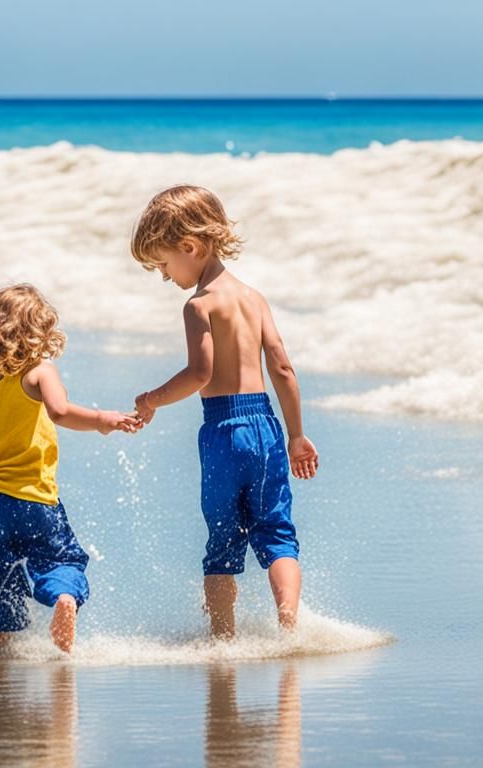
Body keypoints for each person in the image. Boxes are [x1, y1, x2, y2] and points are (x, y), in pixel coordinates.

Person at [128, 185, 319, 639]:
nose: (163, 275)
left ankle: (222, 639)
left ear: (189, 247)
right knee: (277, 532)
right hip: (267, 427)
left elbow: (200, 373)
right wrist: (296, 435)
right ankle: (289, 621)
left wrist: (152, 399)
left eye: (163, 264)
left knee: (223, 538)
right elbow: (282, 368)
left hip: (223, 430)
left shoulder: (198, 305)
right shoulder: (255, 298)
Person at [0, 284, 141, 654]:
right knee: (58, 559)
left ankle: (3, 647)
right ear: (41, 332)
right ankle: (63, 596)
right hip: (33, 498)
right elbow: (60, 412)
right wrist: (102, 419)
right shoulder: (39, 372)